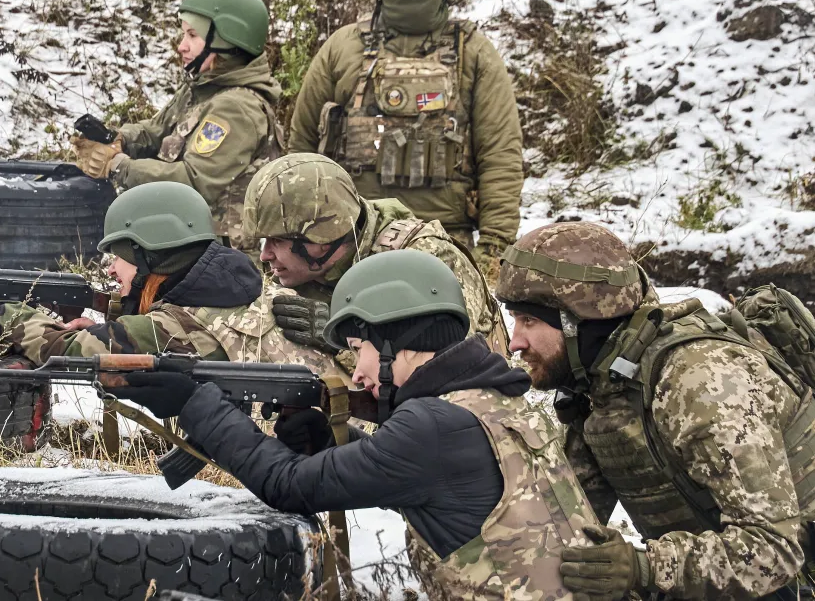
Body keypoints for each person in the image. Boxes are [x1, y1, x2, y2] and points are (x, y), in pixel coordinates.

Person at [115, 248, 598, 600]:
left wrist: (196, 404)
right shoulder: (496, 400)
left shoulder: (433, 424)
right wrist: (329, 445)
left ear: (395, 342)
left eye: (357, 349)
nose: (359, 373)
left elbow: (289, 487)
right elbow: (427, 480)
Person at [495, 221, 815, 600]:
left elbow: (773, 551)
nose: (515, 342)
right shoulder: (602, 383)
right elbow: (571, 520)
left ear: (580, 323)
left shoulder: (698, 379)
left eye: (529, 321)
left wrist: (644, 567)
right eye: (515, 319)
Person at [0, 182, 340, 379]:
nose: (110, 270)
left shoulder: (178, 325)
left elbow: (63, 350)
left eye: (118, 257)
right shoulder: (233, 287)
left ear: (151, 254)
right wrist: (106, 323)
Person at [287, 0, 523, 279]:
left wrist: (494, 248)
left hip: (445, 239)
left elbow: (500, 155)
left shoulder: (474, 52)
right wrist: (296, 233)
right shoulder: (343, 47)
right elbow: (302, 148)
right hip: (348, 237)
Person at [70, 0, 282, 253]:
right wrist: (118, 139)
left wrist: (118, 166)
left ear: (226, 40)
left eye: (192, 35)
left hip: (221, 259)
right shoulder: (203, 89)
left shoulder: (237, 109)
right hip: (190, 245)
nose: (181, 46)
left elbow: (193, 183)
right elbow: (155, 131)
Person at [245, 153, 507, 356]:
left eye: (277, 241)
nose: (265, 255)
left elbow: (451, 365)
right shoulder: (295, 267)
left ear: (321, 238)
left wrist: (342, 340)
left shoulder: (426, 260)